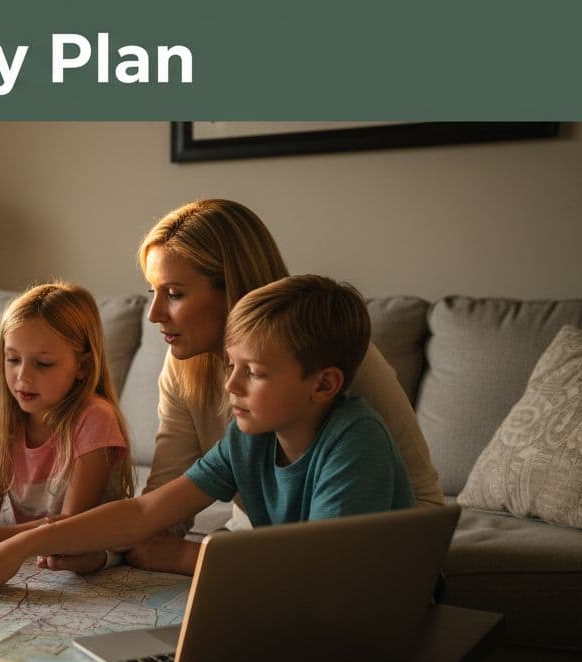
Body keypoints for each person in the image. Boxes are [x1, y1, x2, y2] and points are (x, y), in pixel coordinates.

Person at [0, 275, 415, 600]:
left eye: (255, 373)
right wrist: (16, 547)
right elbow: (144, 512)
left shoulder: (355, 443)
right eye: (231, 367)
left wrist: (187, 555)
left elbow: (315, 577)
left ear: (325, 384)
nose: (230, 386)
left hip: (373, 615)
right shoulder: (250, 437)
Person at [45, 199, 442, 577]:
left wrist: (192, 557)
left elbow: (333, 560)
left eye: (175, 293)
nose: (154, 314)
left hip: (370, 556)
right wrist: (101, 552)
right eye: (154, 292)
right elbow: (159, 508)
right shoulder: (191, 375)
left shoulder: (334, 368)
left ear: (232, 291)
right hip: (262, 548)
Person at [0, 282, 134, 572]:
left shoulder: (95, 418)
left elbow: (71, 526)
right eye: (13, 359)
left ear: (82, 366)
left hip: (96, 542)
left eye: (43, 364)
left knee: (78, 558)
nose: (24, 376)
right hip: (35, 548)